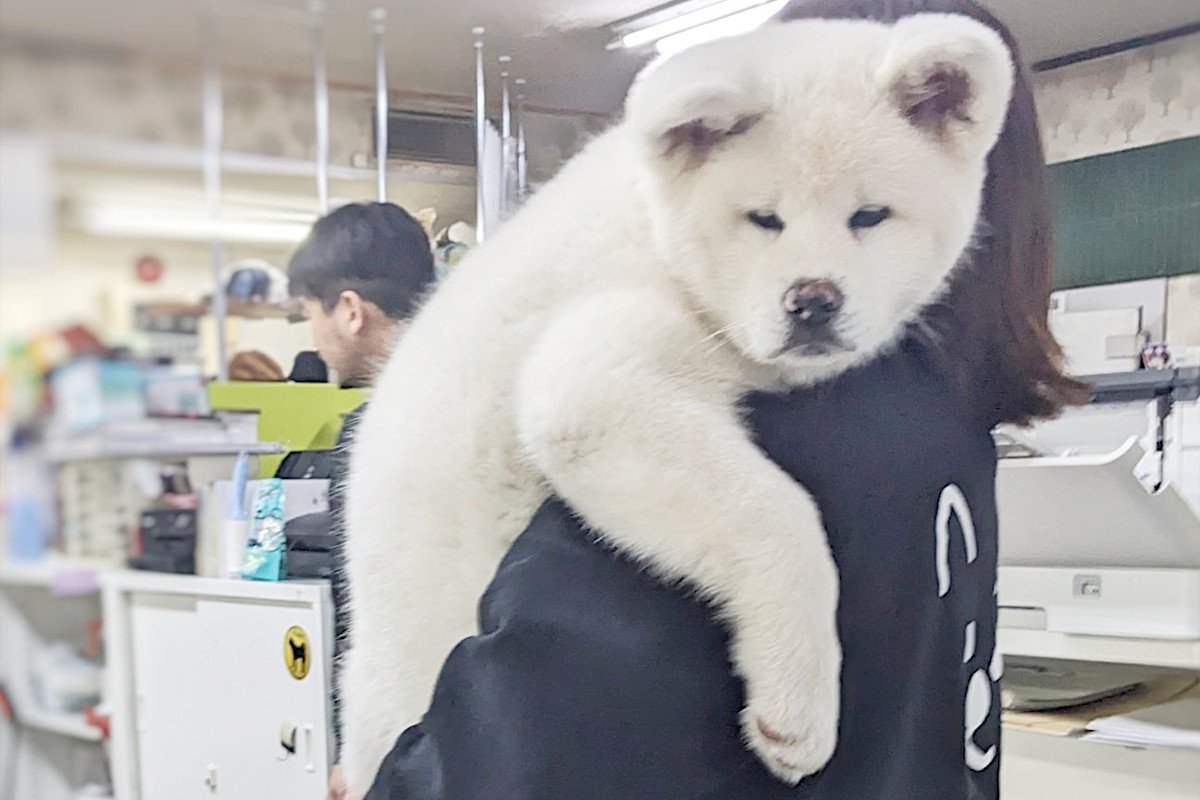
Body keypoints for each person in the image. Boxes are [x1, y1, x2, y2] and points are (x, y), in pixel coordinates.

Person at [357, 1, 1085, 798]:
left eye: (866, 217)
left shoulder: (807, 426)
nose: (816, 281)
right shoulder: (943, 428)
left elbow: (520, 752)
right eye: (767, 221)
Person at [286, 201, 437, 800]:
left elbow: (390, 615)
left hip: (418, 746)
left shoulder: (384, 431)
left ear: (349, 312)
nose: (314, 340)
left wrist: (364, 752)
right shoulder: (475, 394)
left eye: (308, 316)